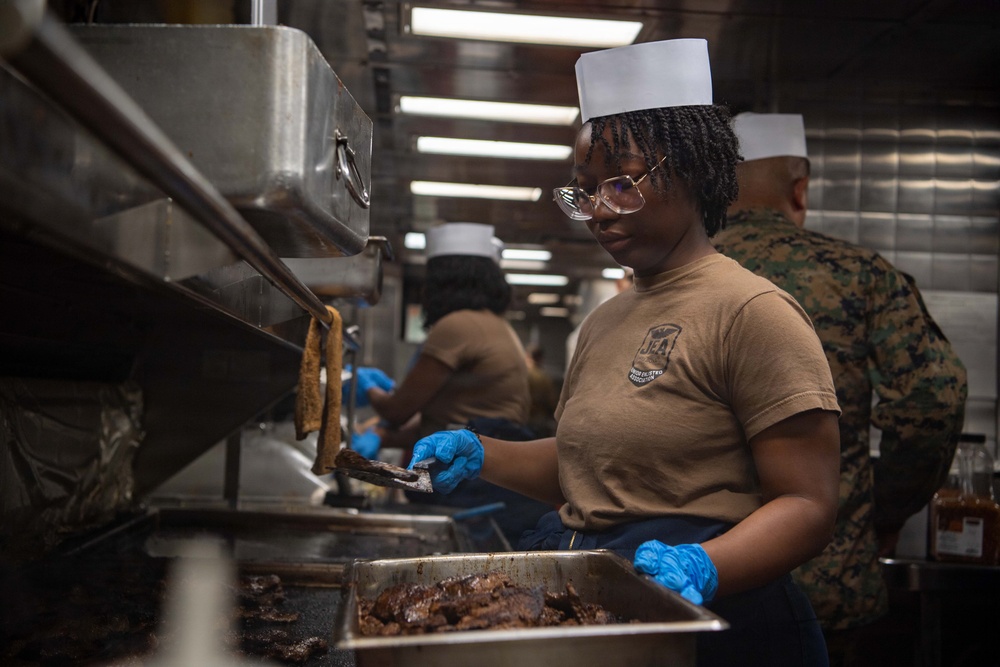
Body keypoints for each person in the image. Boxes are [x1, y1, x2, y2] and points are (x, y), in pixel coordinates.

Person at [405, 39, 842, 667]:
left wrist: (706, 564)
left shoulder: (753, 312)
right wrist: (482, 454)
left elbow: (808, 505)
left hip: (713, 623)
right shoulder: (608, 319)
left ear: (690, 167)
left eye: (622, 183)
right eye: (585, 191)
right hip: (606, 605)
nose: (599, 212)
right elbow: (594, 469)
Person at [713, 112, 968, 665]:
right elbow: (932, 400)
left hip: (697, 563)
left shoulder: (681, 277)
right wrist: (883, 512)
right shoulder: (861, 275)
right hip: (826, 574)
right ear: (799, 189)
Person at [346, 222, 555, 544]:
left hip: (474, 481)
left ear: (444, 279)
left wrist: (365, 384)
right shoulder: (496, 325)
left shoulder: (457, 325)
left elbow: (399, 409)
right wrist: (383, 436)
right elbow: (444, 425)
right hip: (491, 473)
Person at [525, 345, 558, 437]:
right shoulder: (545, 377)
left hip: (524, 419)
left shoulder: (523, 375)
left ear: (527, 357)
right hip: (540, 420)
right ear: (541, 358)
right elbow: (552, 402)